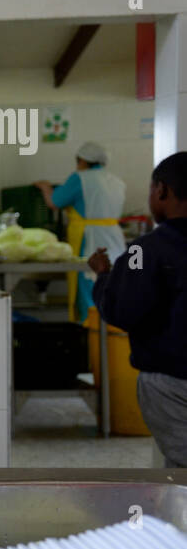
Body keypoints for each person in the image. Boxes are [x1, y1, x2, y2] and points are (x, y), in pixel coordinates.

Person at [88, 152, 187, 467]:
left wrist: (103, 276)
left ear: (162, 191)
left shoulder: (142, 251)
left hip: (170, 385)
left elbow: (124, 312)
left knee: (183, 470)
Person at [34, 141, 126, 322]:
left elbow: (55, 202)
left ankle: (92, 338)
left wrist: (46, 188)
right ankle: (109, 341)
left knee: (89, 290)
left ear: (82, 161)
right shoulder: (116, 181)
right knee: (112, 288)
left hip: (90, 239)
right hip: (115, 239)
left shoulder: (80, 178)